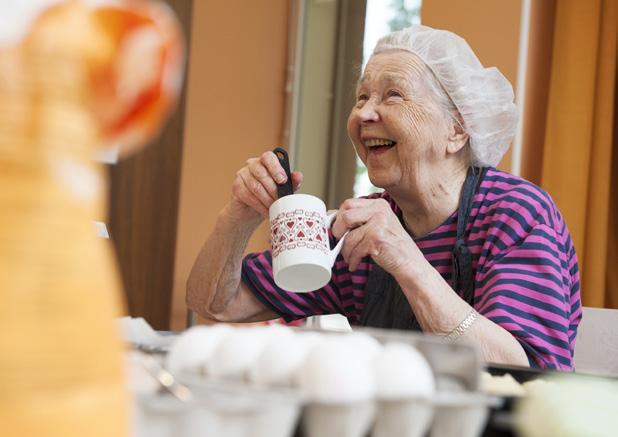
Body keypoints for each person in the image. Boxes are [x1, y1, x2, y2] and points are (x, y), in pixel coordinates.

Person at [187, 25, 581, 370]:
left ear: (457, 130)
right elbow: (216, 303)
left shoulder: (516, 213)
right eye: (361, 97)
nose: (364, 114)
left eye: (392, 95)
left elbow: (526, 371)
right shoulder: (366, 224)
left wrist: (405, 259)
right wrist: (236, 219)